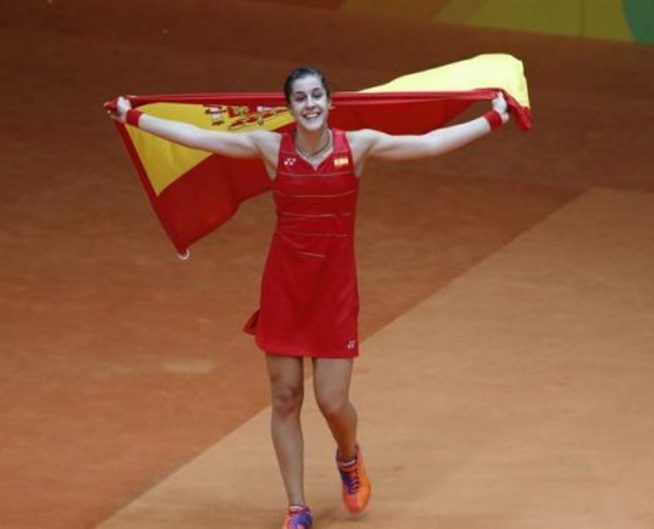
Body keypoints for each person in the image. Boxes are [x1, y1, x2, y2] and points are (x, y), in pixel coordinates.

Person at [109, 66, 510, 529]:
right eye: (300, 99)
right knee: (284, 397)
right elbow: (197, 136)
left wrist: (493, 118)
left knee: (332, 401)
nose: (310, 104)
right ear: (290, 108)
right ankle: (297, 507)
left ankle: (348, 456)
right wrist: (134, 118)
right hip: (285, 287)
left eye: (317, 95)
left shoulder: (356, 145)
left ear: (330, 100)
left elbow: (427, 145)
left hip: (334, 291)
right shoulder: (269, 147)